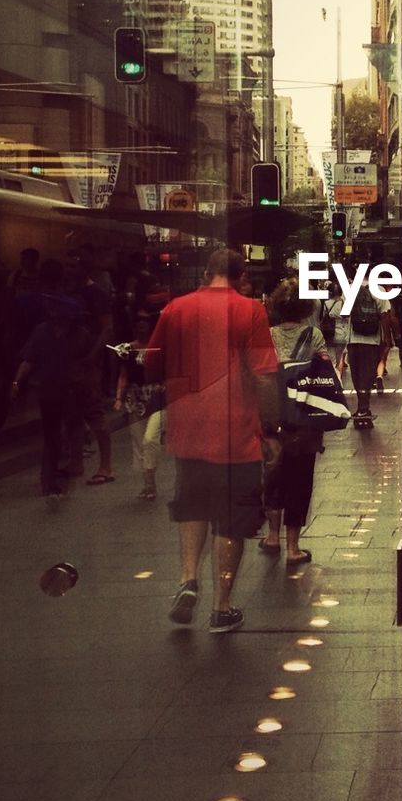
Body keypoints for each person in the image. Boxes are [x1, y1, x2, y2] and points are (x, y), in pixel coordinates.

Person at [147, 247, 281, 632]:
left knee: (192, 505)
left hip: (188, 428)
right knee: (231, 518)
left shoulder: (176, 309)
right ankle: (222, 607)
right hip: (236, 432)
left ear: (206, 273)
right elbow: (264, 375)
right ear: (240, 277)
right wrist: (270, 429)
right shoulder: (250, 310)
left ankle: (188, 578)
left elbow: (153, 360)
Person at [260, 280, 324, 564]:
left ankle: (272, 536)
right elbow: (326, 375)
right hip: (305, 416)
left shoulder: (267, 335)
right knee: (300, 478)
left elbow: (259, 374)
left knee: (273, 474)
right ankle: (293, 547)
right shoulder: (315, 336)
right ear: (306, 307)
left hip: (273, 415)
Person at [12, 294, 89, 501]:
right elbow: (28, 360)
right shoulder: (42, 331)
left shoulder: (79, 334)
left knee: (70, 431)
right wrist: (17, 382)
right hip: (50, 389)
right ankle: (49, 480)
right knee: (52, 436)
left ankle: (67, 470)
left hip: (72, 389)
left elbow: (86, 363)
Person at [62, 247, 115, 485]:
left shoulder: (96, 293)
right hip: (71, 360)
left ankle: (106, 465)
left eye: (73, 265)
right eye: (67, 266)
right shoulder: (69, 291)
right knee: (72, 413)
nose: (69, 270)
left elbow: (107, 327)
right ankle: (76, 461)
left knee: (95, 413)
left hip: (88, 360)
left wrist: (93, 354)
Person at [112, 312, 166, 501]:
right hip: (135, 398)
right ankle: (148, 484)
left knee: (150, 439)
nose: (142, 326)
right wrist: (119, 397)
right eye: (138, 323)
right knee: (138, 442)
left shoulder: (160, 348)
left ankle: (150, 482)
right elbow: (123, 374)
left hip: (156, 396)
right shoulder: (128, 349)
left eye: (145, 323)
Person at [346, 283, 392, 429]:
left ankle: (362, 407)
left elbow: (344, 313)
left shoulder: (350, 288)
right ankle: (364, 407)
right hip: (372, 340)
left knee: (357, 375)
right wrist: (387, 338)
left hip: (353, 340)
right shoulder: (380, 290)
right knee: (368, 375)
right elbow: (385, 315)